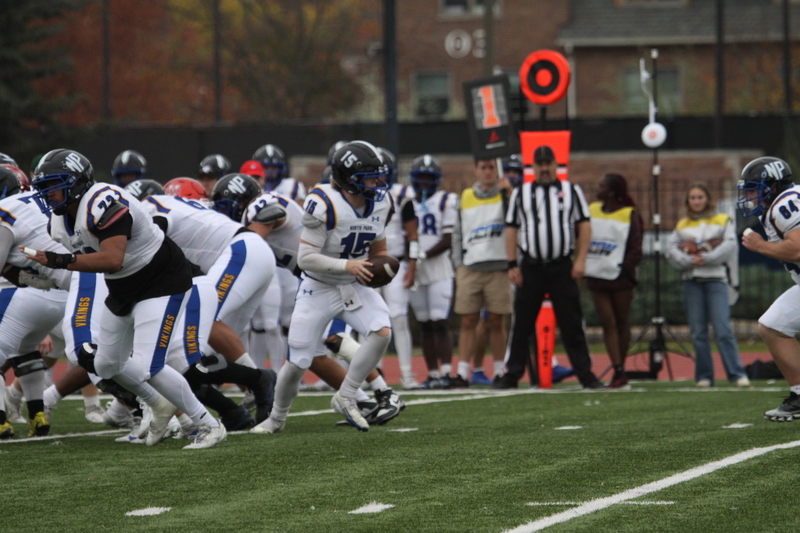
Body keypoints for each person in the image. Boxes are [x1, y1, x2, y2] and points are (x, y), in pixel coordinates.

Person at [28, 149, 227, 449]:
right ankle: (160, 406)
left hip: (160, 280)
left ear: (78, 182)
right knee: (105, 364)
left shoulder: (103, 201)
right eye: (44, 187)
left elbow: (112, 260)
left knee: (151, 366)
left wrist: (60, 261)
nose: (48, 193)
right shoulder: (57, 223)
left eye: (55, 185)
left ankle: (208, 424)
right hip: (123, 288)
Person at [255, 140, 394, 432]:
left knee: (381, 331)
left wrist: (384, 266)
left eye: (377, 175)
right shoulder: (324, 201)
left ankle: (346, 395)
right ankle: (277, 418)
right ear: (347, 180)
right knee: (298, 362)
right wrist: (348, 265)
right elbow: (306, 259)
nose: (377, 183)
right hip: (317, 287)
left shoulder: (381, 202)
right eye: (369, 177)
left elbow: (379, 249)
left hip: (354, 284)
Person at [497, 145, 602, 389]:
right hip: (531, 266)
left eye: (548, 164)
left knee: (572, 324)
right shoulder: (521, 193)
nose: (544, 169)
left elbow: (584, 225)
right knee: (521, 324)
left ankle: (586, 374)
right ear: (533, 168)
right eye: (540, 164)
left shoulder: (571, 190)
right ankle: (511, 375)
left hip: (561, 267)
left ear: (556, 165)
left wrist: (581, 259)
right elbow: (511, 228)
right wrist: (512, 263)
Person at [665, 183, 748, 387]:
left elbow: (730, 245)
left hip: (716, 279)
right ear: (688, 201)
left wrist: (707, 257)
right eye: (692, 197)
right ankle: (704, 376)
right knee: (698, 332)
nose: (696, 201)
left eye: (700, 197)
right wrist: (689, 260)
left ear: (707, 199)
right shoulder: (682, 224)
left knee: (722, 329)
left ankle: (737, 374)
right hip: (691, 281)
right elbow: (670, 249)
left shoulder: (721, 220)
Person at [739, 157, 800, 420]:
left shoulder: (785, 203)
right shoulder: (786, 200)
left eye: (754, 188)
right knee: (773, 325)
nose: (750, 196)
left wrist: (760, 245)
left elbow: (797, 248)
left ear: (772, 186)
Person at [451, 158, 512, 387]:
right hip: (470, 267)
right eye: (483, 167)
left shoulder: (506, 194)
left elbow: (518, 222)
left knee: (497, 321)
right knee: (468, 320)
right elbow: (457, 233)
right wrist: (458, 264)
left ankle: (499, 370)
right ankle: (462, 372)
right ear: (476, 170)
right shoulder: (465, 197)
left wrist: (510, 194)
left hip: (498, 266)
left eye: (492, 167)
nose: (488, 172)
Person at [584, 173, 644, 389]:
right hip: (596, 274)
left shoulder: (630, 214)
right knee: (607, 322)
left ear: (611, 191)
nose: (596, 189)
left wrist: (622, 268)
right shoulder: (591, 210)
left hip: (620, 277)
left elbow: (636, 248)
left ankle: (621, 366)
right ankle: (618, 369)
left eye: (600, 185)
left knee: (621, 322)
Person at [408, 154, 458, 388]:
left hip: (439, 269)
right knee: (425, 324)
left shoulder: (446, 200)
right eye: (422, 178)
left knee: (440, 321)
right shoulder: (407, 202)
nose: (425, 183)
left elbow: (448, 239)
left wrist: (423, 254)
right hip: (416, 270)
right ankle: (434, 374)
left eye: (429, 178)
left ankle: (447, 372)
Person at [375, 147, 420, 390]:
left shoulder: (402, 194)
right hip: (370, 263)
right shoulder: (364, 193)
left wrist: (412, 267)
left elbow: (413, 235)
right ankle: (374, 371)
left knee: (399, 318)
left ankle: (406, 373)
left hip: (396, 263)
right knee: (370, 321)